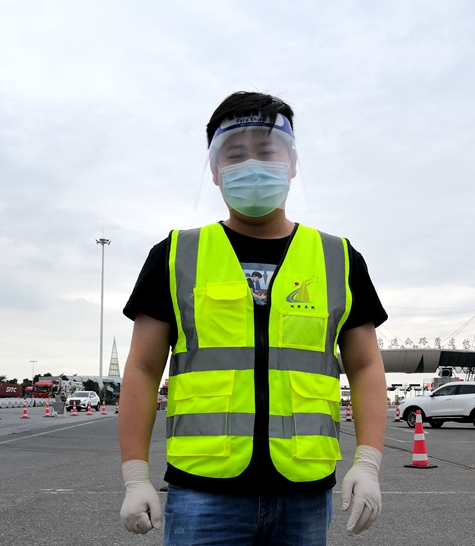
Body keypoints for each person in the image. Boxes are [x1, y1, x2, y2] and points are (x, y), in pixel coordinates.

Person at [118, 91, 388, 545]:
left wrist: (368, 462)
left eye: (267, 150)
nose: (253, 163)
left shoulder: (338, 258)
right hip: (202, 490)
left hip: (305, 491)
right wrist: (134, 475)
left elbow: (365, 367)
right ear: (215, 170)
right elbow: (143, 368)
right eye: (235, 154)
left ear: (293, 163)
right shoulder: (176, 255)